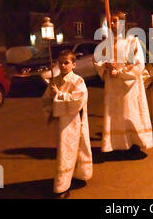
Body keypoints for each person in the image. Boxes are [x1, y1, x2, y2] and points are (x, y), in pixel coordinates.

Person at [94, 11, 153, 154]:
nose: (112, 24)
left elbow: (139, 64)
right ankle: (117, 144)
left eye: (114, 21)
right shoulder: (106, 43)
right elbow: (98, 60)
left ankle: (134, 144)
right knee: (115, 115)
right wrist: (106, 66)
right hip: (113, 85)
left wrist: (121, 71)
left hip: (128, 85)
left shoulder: (132, 41)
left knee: (129, 113)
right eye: (110, 22)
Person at [42, 50, 93, 199]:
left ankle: (62, 187)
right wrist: (51, 100)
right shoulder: (54, 81)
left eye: (67, 62)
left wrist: (59, 94)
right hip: (61, 122)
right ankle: (68, 179)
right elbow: (45, 102)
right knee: (64, 151)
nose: (63, 65)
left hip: (74, 121)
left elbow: (78, 100)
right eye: (61, 63)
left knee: (70, 150)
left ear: (74, 64)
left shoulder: (78, 81)